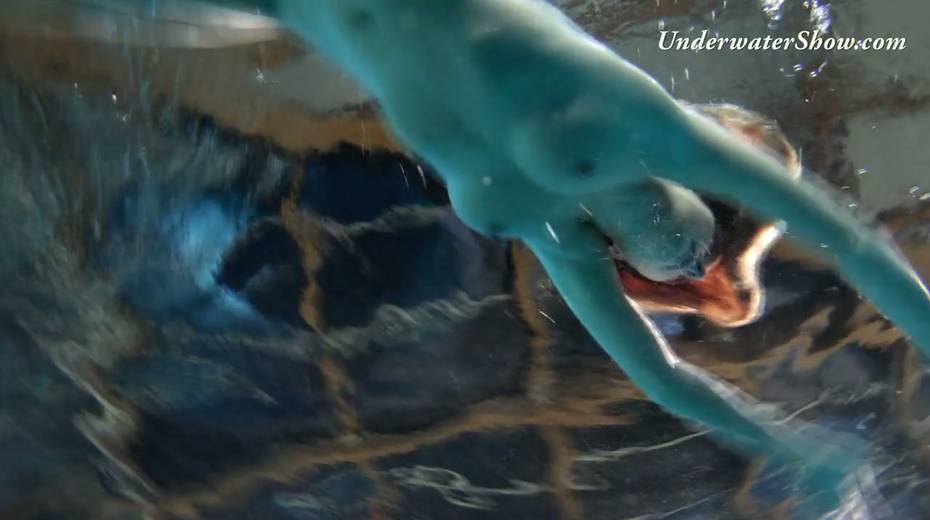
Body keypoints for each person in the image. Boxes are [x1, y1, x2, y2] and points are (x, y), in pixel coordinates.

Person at [139, 0, 930, 510]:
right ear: (708, 171)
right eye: (721, 229)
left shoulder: (560, 234)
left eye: (709, 266)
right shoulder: (650, 130)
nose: (701, 263)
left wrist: (793, 446)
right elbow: (851, 242)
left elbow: (663, 378)